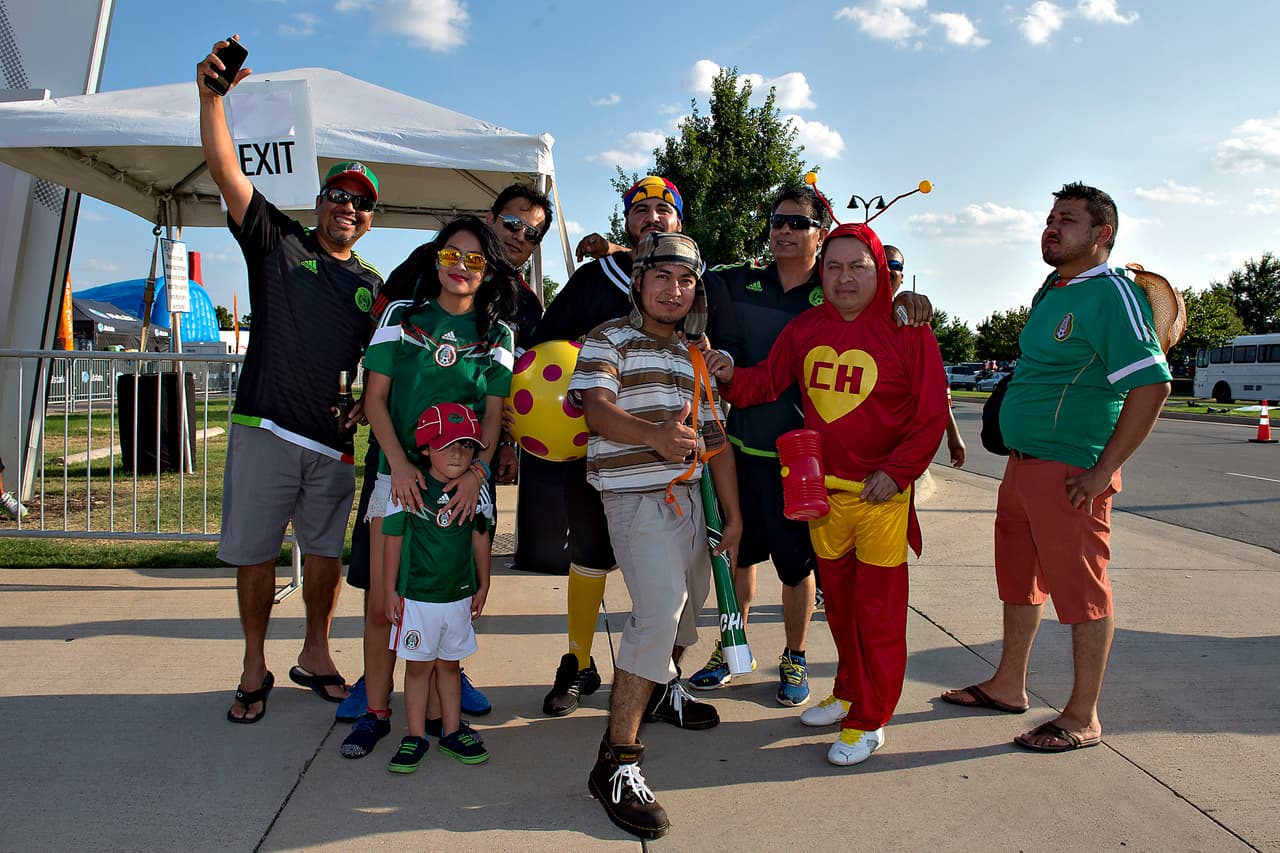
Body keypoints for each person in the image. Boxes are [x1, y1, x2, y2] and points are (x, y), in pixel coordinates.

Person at [940, 183, 1172, 752]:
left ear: (1101, 234)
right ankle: (1007, 685)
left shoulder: (1114, 295)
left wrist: (1101, 472)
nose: (1051, 227)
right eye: (1049, 217)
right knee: (1019, 584)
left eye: (1066, 219)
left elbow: (1152, 384)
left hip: (1070, 475)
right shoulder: (1055, 289)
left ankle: (1082, 715)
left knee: (1083, 593)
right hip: (1022, 469)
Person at [708, 222, 948, 767]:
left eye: (857, 266)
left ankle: (871, 717)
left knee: (877, 614)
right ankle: (846, 691)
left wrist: (898, 471)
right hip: (822, 498)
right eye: (834, 266)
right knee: (839, 606)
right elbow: (764, 384)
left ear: (878, 271)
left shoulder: (908, 329)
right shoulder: (807, 327)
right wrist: (726, 374)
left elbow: (930, 415)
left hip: (882, 501)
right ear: (822, 271)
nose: (844, 278)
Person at [199, 37, 381, 724]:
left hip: (334, 446)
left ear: (371, 219)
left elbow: (390, 361)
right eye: (339, 195)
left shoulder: (372, 285)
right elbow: (224, 167)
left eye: (361, 203)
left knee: (326, 557)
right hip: (266, 426)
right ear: (320, 201)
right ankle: (253, 660)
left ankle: (316, 651)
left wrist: (371, 400)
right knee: (255, 553)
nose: (349, 208)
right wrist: (210, 98)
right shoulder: (279, 240)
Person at [339, 183, 552, 722]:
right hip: (397, 476)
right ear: (436, 260)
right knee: (384, 600)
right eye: (452, 255)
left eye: (474, 259)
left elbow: (493, 413)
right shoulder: (402, 318)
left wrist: (475, 471)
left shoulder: (498, 331)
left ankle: (443, 697)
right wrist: (404, 466)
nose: (462, 266)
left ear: (488, 270)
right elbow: (377, 400)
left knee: (451, 593)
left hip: (462, 483)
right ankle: (376, 709)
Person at [572, 231, 741, 840]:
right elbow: (595, 409)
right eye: (663, 276)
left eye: (687, 279)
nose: (675, 289)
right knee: (658, 614)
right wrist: (653, 438)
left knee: (689, 609)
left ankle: (665, 689)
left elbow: (715, 438)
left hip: (693, 500)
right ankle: (616, 762)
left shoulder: (696, 351)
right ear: (639, 279)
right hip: (635, 499)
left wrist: (735, 514)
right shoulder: (607, 338)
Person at [533, 176, 692, 718]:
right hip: (602, 448)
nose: (652, 217)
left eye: (663, 210)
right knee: (591, 554)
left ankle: (664, 676)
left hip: (677, 458)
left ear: (678, 222)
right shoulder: (593, 277)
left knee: (675, 575)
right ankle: (578, 661)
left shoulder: (691, 279)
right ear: (627, 221)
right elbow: (547, 347)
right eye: (640, 209)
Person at [382, 402, 493, 773]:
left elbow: (480, 538)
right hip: (417, 598)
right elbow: (393, 539)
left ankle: (450, 731)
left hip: (458, 596)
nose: (458, 453)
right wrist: (388, 590)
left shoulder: (477, 491)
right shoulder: (409, 487)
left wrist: (484, 582)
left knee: (450, 666)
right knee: (418, 669)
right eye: (447, 445)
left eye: (466, 445)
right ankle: (415, 736)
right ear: (426, 447)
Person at [884, 244, 966, 468]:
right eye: (881, 264)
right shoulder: (849, 317)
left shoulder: (914, 325)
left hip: (894, 454)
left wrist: (953, 434)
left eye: (895, 266)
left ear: (902, 277)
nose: (887, 270)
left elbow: (935, 388)